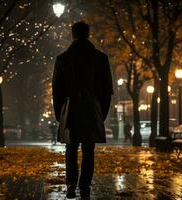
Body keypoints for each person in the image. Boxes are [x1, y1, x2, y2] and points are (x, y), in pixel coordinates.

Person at [52, 21, 113, 199]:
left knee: (71, 148)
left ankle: (71, 184)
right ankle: (84, 187)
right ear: (88, 34)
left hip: (70, 108)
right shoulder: (101, 58)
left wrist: (59, 113)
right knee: (89, 149)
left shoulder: (63, 58)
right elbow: (106, 89)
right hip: (92, 107)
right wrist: (101, 112)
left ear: (73, 34)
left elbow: (57, 89)